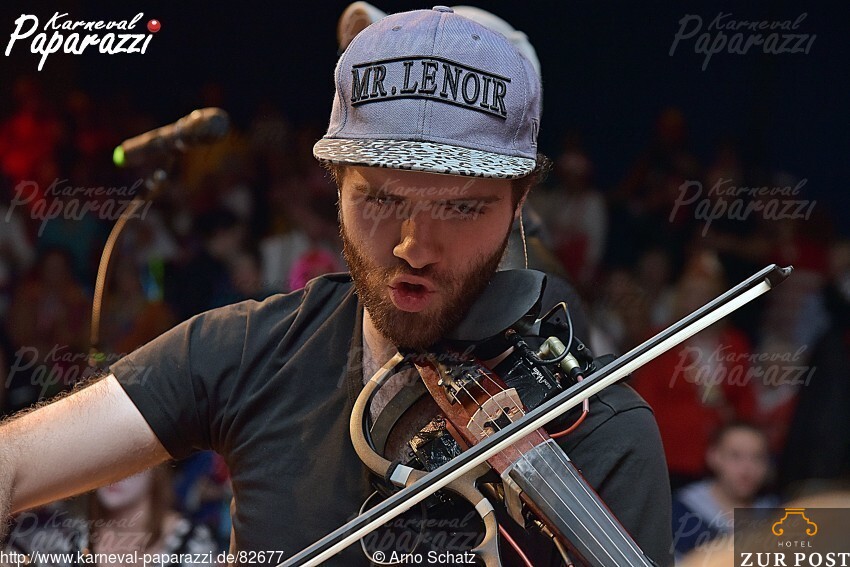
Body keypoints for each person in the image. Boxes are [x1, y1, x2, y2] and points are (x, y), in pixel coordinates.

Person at [0, 8, 672, 566]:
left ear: (519, 201)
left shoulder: (597, 431)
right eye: (379, 198)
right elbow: (14, 465)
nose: (414, 246)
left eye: (461, 207)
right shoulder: (249, 350)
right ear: (335, 184)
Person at [670, 422, 778, 559]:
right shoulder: (680, 513)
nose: (747, 468)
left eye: (757, 458)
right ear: (713, 456)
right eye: (735, 456)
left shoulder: (777, 515)